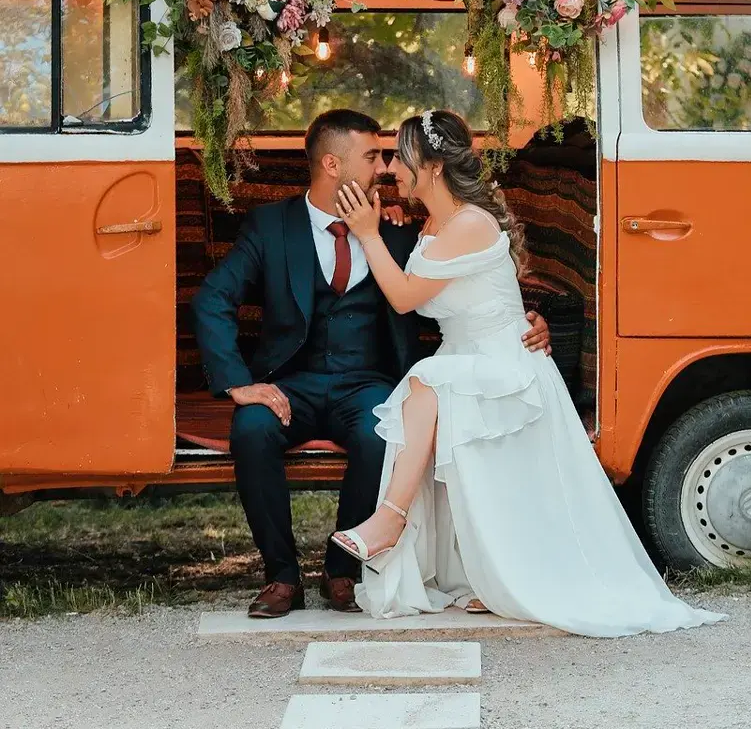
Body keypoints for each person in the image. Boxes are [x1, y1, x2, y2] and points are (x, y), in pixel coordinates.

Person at [330, 109, 727, 637]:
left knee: (426, 382)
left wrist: (367, 234)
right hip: (470, 353)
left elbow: (404, 298)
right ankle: (457, 559)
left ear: (429, 165)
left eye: (399, 158)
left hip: (502, 362)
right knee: (427, 383)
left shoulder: (470, 223)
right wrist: (384, 228)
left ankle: (390, 520)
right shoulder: (434, 221)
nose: (390, 170)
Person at [191, 109, 551, 618]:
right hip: (290, 383)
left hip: (367, 383)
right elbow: (213, 299)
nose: (385, 167)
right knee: (250, 429)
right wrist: (237, 385)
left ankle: (343, 571)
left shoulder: (400, 230)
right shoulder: (271, 225)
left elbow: (476, 284)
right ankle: (281, 576)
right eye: (372, 156)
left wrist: (527, 323)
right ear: (333, 164)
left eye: (389, 157)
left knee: (382, 432)